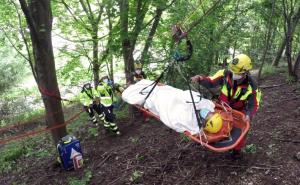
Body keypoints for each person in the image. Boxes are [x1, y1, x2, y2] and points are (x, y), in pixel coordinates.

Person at [191, 54, 261, 158]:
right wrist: (200, 79)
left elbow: (254, 104)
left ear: (246, 72)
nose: (234, 75)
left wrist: (248, 114)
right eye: (233, 72)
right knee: (209, 121)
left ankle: (236, 152)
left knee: (243, 129)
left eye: (237, 73)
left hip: (238, 112)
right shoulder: (224, 74)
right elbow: (211, 81)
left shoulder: (252, 86)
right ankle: (206, 139)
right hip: (222, 107)